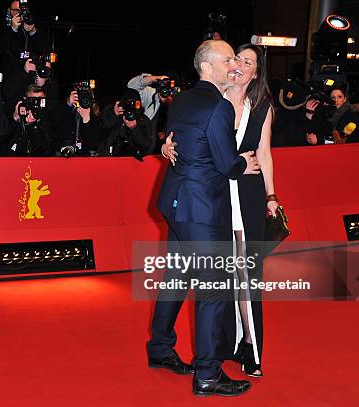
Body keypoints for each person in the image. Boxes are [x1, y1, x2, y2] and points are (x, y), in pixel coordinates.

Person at [147, 40, 259, 397]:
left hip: (176, 203)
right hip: (202, 211)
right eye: (227, 60)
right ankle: (208, 374)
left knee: (176, 278)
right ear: (207, 67)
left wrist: (166, 143)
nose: (234, 65)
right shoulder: (218, 106)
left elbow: (177, 140)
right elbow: (227, 164)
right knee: (214, 288)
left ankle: (161, 349)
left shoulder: (181, 98)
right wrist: (247, 163)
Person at [163, 43, 278, 378]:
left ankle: (251, 350)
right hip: (212, 196)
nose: (239, 65)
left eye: (248, 62)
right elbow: (182, 136)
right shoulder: (212, 98)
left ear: (256, 73)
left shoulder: (262, 107)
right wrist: (165, 146)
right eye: (236, 59)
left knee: (246, 276)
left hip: (246, 194)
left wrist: (272, 196)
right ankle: (223, 345)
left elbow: (265, 154)